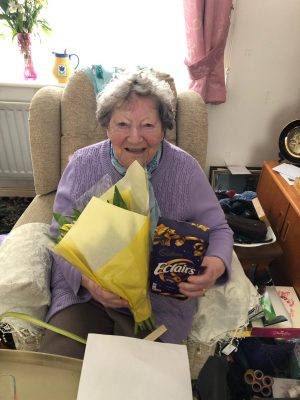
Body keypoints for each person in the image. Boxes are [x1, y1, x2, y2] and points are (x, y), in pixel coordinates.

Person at [39, 69, 233, 359]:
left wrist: (213, 267)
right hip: (86, 298)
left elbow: (219, 229)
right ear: (106, 126)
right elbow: (59, 236)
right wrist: (89, 283)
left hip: (159, 303)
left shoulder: (186, 170)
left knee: (139, 380)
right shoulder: (82, 165)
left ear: (164, 127)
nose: (135, 137)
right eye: (122, 124)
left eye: (147, 125)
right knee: (61, 370)